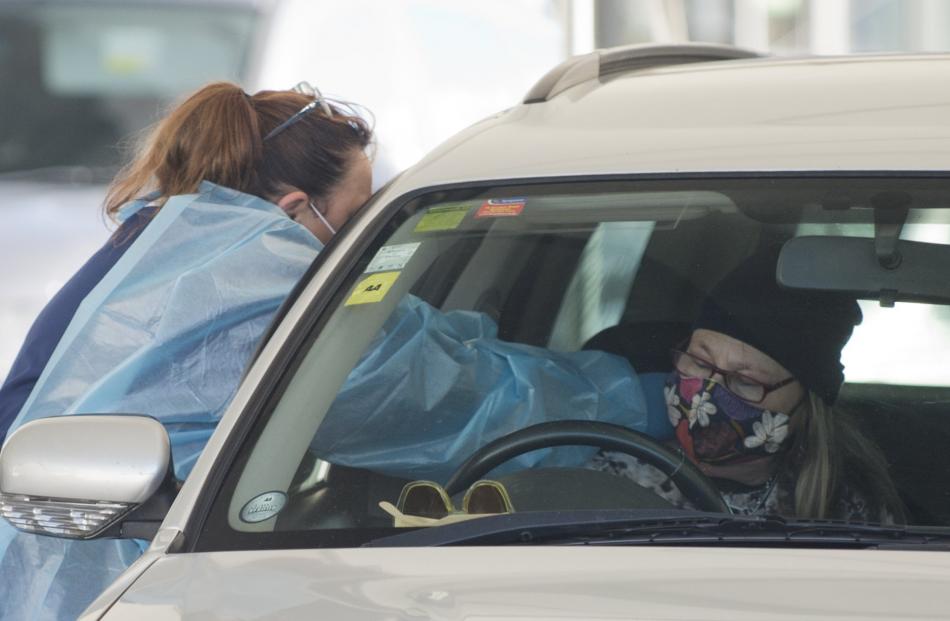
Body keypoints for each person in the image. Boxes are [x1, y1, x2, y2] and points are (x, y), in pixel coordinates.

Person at [0, 80, 373, 620]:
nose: (355, 242)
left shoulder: (162, 239)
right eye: (353, 219)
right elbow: (391, 394)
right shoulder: (246, 274)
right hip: (85, 565)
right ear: (295, 212)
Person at [590, 248, 905, 522]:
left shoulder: (846, 509)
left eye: (746, 381)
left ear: (806, 406)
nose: (707, 393)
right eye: (700, 362)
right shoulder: (612, 479)